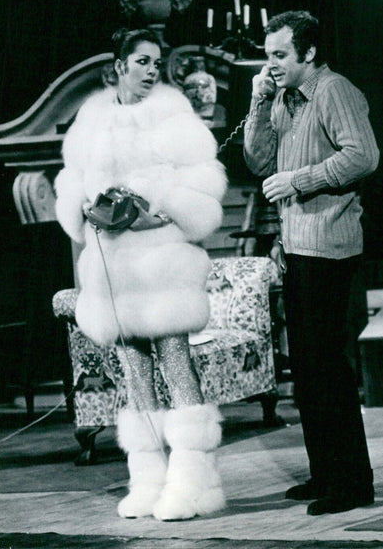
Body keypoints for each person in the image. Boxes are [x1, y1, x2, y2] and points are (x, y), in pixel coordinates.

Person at [54, 28, 228, 521]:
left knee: (176, 364)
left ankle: (195, 485)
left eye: (158, 62)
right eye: (144, 62)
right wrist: (85, 210)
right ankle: (148, 482)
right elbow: (71, 183)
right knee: (134, 377)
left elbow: (205, 189)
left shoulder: (174, 114)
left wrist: (161, 210)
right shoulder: (92, 118)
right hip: (114, 267)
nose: (153, 70)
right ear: (120, 65)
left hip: (162, 264)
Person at [243, 11, 379, 515]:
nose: (271, 63)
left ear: (308, 53)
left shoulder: (334, 90)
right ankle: (326, 472)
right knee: (307, 368)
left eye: (280, 54)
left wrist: (298, 180)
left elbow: (363, 156)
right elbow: (257, 162)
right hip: (299, 246)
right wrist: (258, 100)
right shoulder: (281, 98)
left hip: (331, 245)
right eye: (268, 54)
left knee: (327, 367)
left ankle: (353, 482)